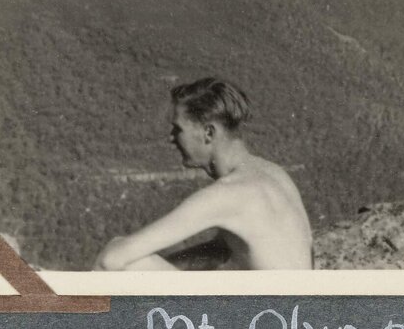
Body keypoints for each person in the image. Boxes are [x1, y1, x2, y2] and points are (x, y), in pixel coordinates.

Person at [94, 77, 313, 270]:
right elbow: (220, 250)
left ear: (208, 133)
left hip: (269, 313)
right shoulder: (274, 174)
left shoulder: (229, 193)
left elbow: (111, 260)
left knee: (123, 257)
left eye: (178, 129)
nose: (171, 137)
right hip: (299, 312)